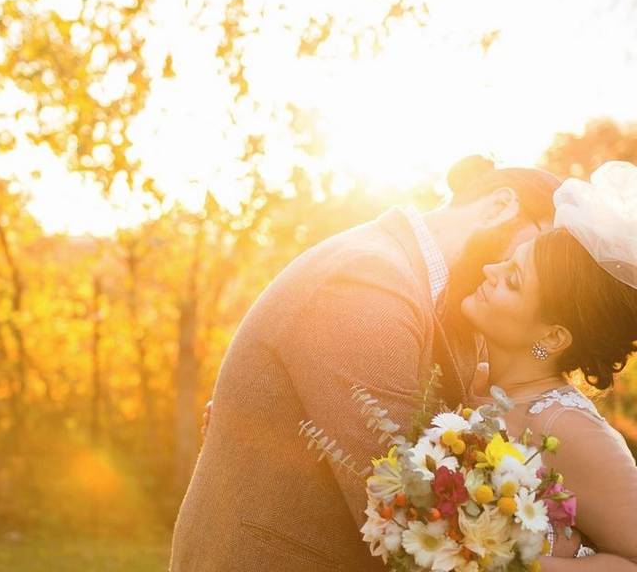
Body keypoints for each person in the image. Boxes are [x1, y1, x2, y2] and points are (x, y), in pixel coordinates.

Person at [169, 156, 561, 571]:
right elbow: (402, 503)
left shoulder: (450, 306)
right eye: (538, 250)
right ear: (499, 207)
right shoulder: (368, 278)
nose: (540, 278)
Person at [461, 161, 637, 570]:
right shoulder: (476, 381)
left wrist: (509, 564)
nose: (490, 271)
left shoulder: (568, 426)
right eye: (508, 263)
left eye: (513, 280)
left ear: (553, 337)